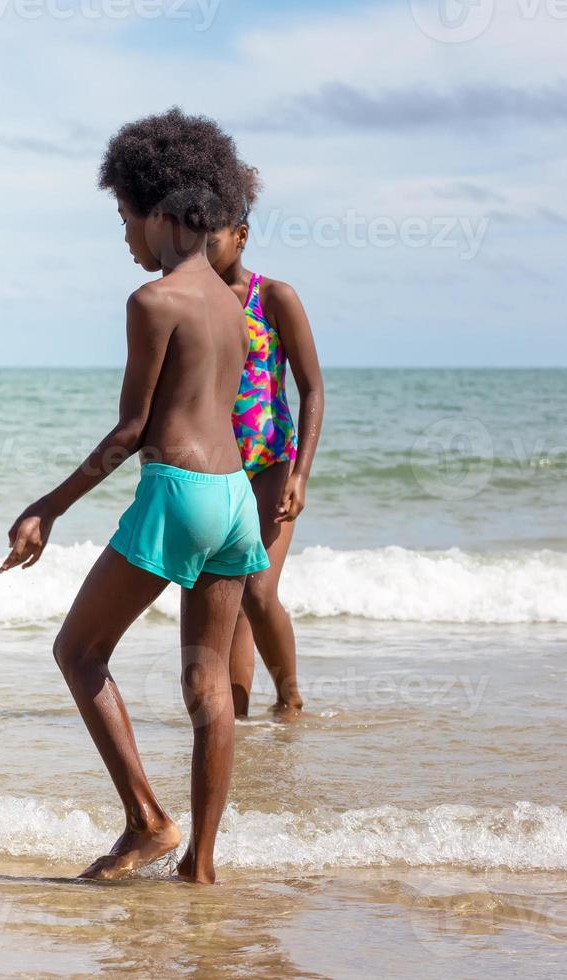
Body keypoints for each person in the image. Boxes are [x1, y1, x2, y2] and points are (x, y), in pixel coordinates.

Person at [1, 109, 267, 884]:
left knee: (77, 651)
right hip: (235, 498)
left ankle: (146, 820)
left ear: (159, 213)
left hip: (178, 492)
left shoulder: (153, 302)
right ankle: (202, 868)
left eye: (124, 217)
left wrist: (46, 507)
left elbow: (130, 433)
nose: (124, 237)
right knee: (208, 684)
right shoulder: (230, 303)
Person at [206, 166, 325, 720]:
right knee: (226, 600)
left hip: (272, 463)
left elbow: (312, 387)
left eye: (214, 236)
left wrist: (300, 474)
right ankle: (238, 718)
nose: (203, 247)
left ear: (241, 235)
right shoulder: (194, 300)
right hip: (216, 469)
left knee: (256, 591)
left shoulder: (273, 296)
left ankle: (290, 696)